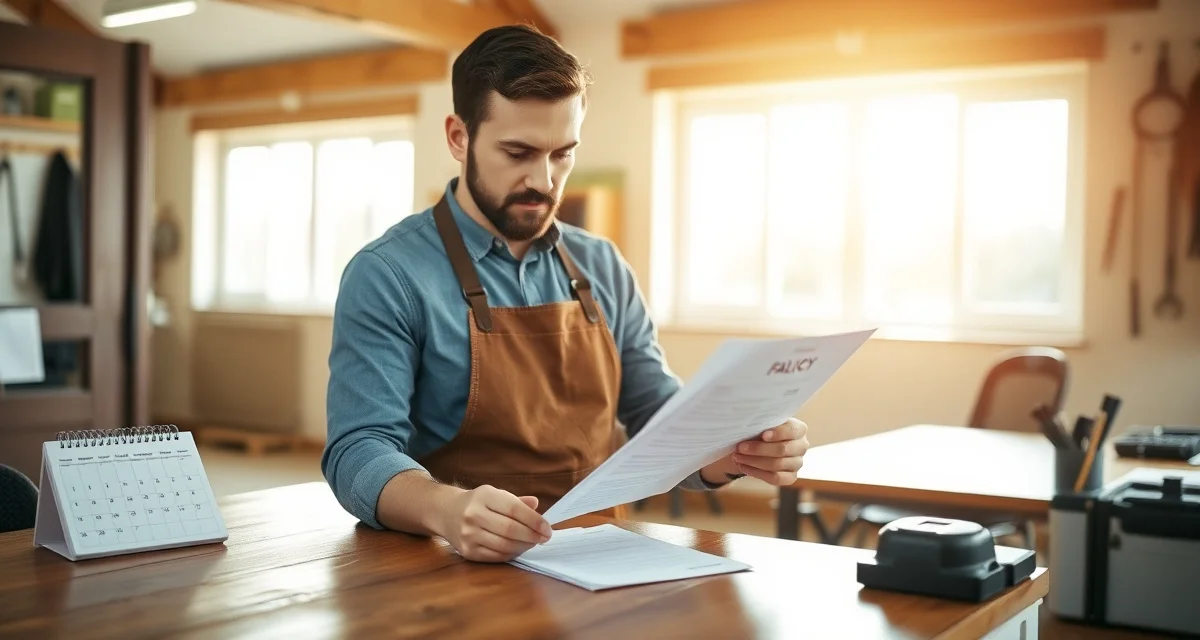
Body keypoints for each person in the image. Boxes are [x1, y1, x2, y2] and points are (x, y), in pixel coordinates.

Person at [323, 24, 810, 563]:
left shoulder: (602, 264)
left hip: (597, 559)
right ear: (459, 137)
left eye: (562, 154)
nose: (544, 180)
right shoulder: (387, 274)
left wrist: (733, 452)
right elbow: (357, 452)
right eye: (518, 152)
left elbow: (657, 415)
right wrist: (448, 510)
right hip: (449, 565)